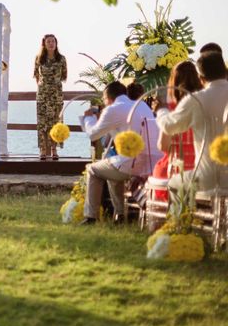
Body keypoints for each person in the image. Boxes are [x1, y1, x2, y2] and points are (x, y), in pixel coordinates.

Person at [79, 81, 158, 224]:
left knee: (93, 170)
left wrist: (89, 118)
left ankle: (91, 216)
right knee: (111, 166)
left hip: (133, 163)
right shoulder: (141, 104)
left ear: (108, 98)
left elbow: (93, 135)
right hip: (153, 163)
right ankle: (120, 215)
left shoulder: (113, 108)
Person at [157, 52, 228, 192]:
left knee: (174, 183)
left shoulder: (196, 99)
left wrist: (161, 111)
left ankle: (183, 214)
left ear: (201, 78)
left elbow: (169, 126)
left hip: (207, 178)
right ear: (225, 72)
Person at [150, 61, 202, 185]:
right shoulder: (205, 106)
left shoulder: (172, 109)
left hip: (176, 171)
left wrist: (160, 110)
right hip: (201, 172)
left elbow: (163, 145)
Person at [33, 34, 67, 160]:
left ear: (56, 43)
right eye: (48, 41)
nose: (51, 44)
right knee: (42, 123)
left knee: (56, 122)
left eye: (53, 41)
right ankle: (42, 150)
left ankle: (54, 149)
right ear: (44, 44)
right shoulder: (39, 58)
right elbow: (36, 75)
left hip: (56, 95)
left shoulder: (61, 59)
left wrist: (53, 85)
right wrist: (44, 87)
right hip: (42, 95)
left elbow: (64, 76)